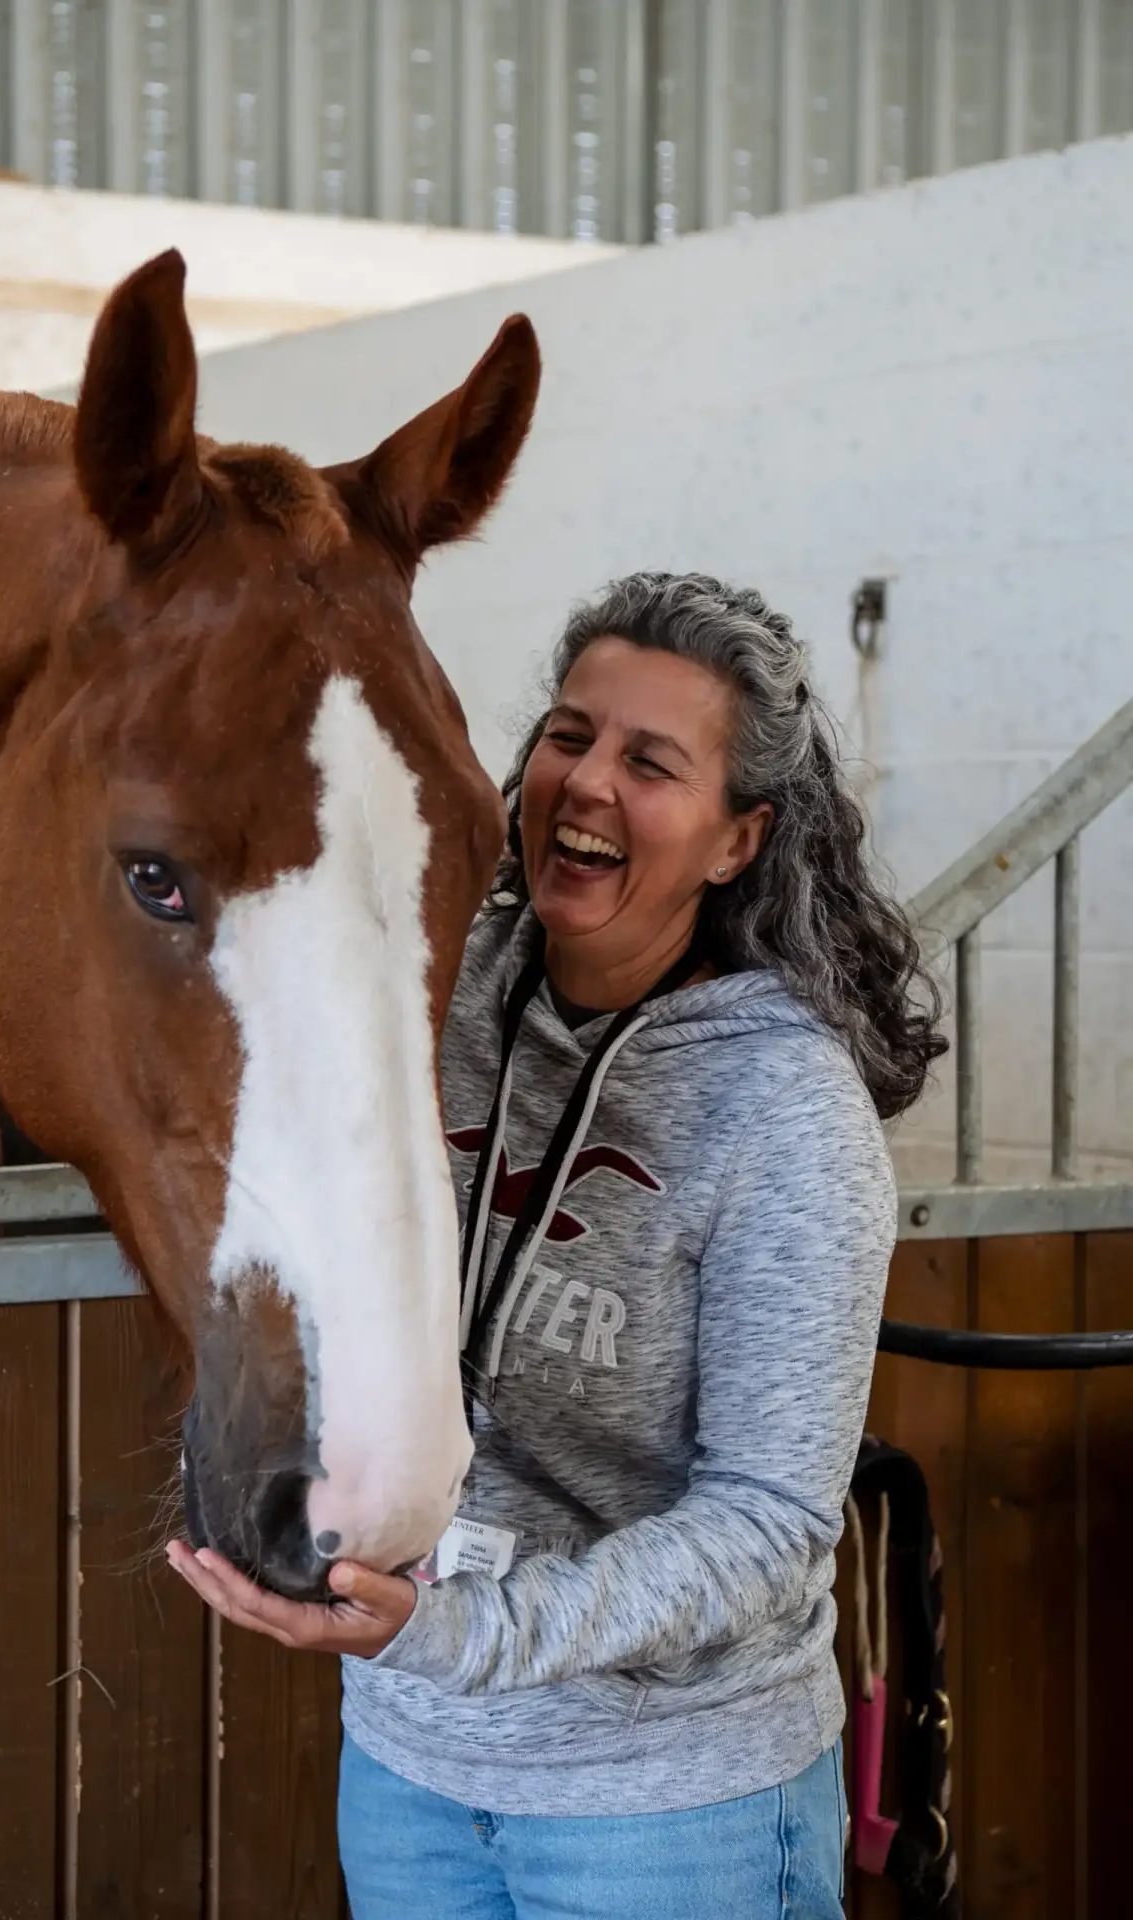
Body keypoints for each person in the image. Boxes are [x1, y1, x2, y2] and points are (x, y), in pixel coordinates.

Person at [169, 572, 946, 1917]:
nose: (586, 783)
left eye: (651, 762)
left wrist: (463, 1632)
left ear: (736, 838)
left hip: (667, 1807)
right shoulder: (432, 988)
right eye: (569, 735)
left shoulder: (784, 1107)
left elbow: (767, 1524)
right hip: (408, 1764)